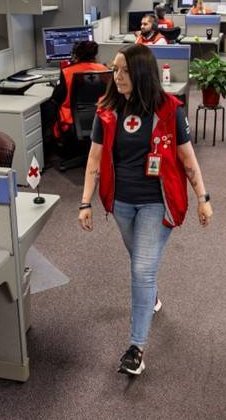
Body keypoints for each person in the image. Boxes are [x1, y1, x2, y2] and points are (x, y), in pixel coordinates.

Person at [78, 44, 213, 376]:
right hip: (121, 202)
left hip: (157, 201)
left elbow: (186, 158)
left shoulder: (169, 109)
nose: (117, 76)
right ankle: (151, 298)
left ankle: (136, 348)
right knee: (139, 259)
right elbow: (94, 159)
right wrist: (85, 201)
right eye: (115, 69)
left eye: (124, 70)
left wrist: (203, 197)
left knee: (141, 270)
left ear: (140, 73)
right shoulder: (107, 109)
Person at [49, 40, 109, 140]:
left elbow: (56, 98)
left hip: (72, 122)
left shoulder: (67, 71)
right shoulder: (105, 70)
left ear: (76, 55)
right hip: (101, 119)